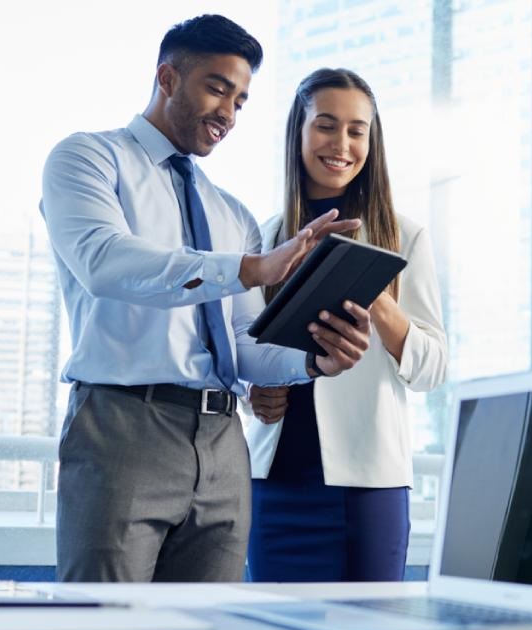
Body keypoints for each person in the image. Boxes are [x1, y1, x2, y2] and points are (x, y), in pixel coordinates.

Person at [40, 16, 372, 583]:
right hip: (124, 426)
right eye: (217, 88)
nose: (229, 113)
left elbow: (243, 344)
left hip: (223, 444)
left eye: (241, 100)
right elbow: (106, 263)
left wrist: (313, 360)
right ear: (168, 78)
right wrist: (248, 268)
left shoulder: (231, 214)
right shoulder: (89, 159)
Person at [244, 68, 448, 582]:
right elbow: (244, 352)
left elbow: (433, 369)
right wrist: (253, 391)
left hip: (368, 486)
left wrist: (379, 300)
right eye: (326, 126)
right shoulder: (263, 239)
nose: (342, 144)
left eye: (357, 130)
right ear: (299, 132)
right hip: (275, 482)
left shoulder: (406, 237)